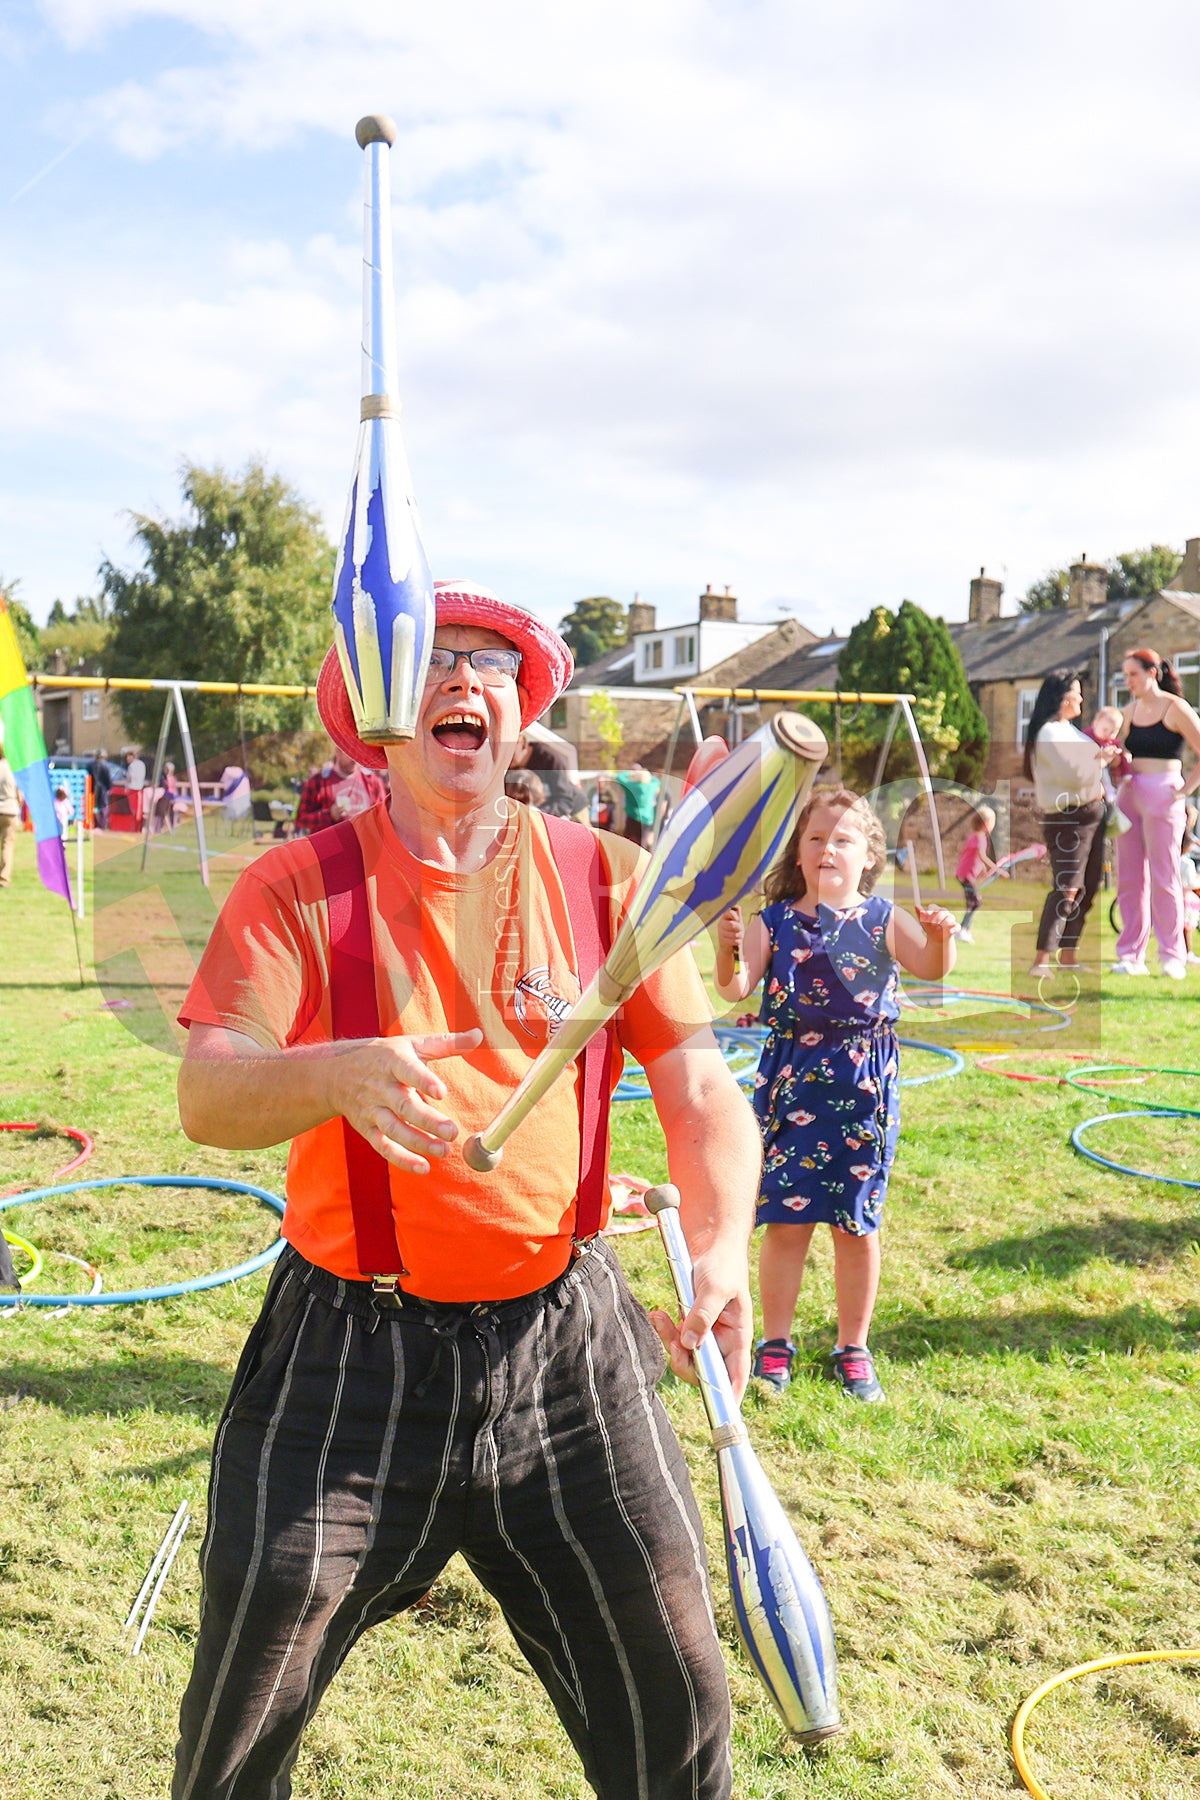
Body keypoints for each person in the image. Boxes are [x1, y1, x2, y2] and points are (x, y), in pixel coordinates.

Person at [170, 580, 759, 1800]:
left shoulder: (609, 878)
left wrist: (724, 1250)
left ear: (518, 712)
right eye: (433, 657)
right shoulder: (296, 886)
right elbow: (209, 1095)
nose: (465, 678)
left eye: (493, 661)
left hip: (568, 1345)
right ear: (381, 713)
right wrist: (333, 1073)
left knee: (678, 1694)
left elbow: (702, 1094)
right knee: (240, 1711)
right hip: (346, 1358)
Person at [714, 788, 957, 1404]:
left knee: (856, 1224)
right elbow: (737, 987)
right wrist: (726, 950)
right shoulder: (773, 922)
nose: (828, 849)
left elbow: (931, 967)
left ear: (869, 854)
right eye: (816, 838)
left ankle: (854, 1346)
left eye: (843, 839)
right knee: (785, 1223)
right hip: (792, 1078)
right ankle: (775, 1343)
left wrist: (942, 936)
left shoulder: (881, 918)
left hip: (863, 1087)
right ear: (798, 853)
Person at [1113, 648, 1200, 978]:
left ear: (1153, 673)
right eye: (1125, 675)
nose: (1128, 681)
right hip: (1131, 793)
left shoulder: (1175, 708)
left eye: (1133, 674)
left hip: (1164, 792)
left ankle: (1172, 955)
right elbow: (1116, 751)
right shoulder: (1129, 710)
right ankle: (1130, 955)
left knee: (1165, 876)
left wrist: (1184, 791)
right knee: (1130, 877)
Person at [1023, 670, 1111, 978]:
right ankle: (1041, 961)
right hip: (1068, 819)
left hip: (1092, 815)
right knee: (1067, 887)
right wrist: (1100, 760)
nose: (1081, 698)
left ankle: (1069, 955)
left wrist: (1101, 758)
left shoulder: (1070, 730)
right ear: (1063, 698)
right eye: (1077, 692)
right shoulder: (1048, 733)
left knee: (1087, 887)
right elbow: (1073, 774)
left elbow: (1086, 769)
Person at [510, 719, 588, 821]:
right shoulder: (510, 768)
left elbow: (565, 800)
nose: (506, 756)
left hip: (574, 811)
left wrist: (537, 813)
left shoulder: (549, 758)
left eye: (510, 750)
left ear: (522, 742)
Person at [955, 804, 996, 943]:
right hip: (966, 875)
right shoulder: (979, 837)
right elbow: (982, 856)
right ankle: (962, 930)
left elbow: (976, 857)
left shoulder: (977, 837)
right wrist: (997, 868)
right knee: (975, 902)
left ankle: (964, 930)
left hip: (965, 874)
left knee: (974, 902)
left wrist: (984, 870)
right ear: (986, 823)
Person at [616, 762, 662, 849]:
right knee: (643, 843)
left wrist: (631, 772)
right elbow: (656, 781)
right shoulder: (651, 786)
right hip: (647, 819)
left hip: (633, 817)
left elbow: (619, 777)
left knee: (630, 842)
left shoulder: (632, 786)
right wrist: (645, 774)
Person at [0, 741, 20, 890]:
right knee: (7, 844)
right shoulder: (14, 769)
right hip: (10, 809)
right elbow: (19, 794)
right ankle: (4, 878)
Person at [123, 746, 147, 829]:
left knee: (134, 810)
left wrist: (126, 786)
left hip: (132, 789)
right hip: (140, 788)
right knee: (139, 809)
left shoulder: (132, 766)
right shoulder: (142, 764)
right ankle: (138, 827)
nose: (127, 758)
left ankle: (135, 827)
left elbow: (130, 778)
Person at [90, 748, 113, 830]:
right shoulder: (105, 767)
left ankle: (95, 824)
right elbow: (108, 781)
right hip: (102, 790)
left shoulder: (90, 766)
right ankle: (102, 825)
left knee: (94, 807)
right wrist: (108, 788)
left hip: (92, 790)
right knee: (103, 808)